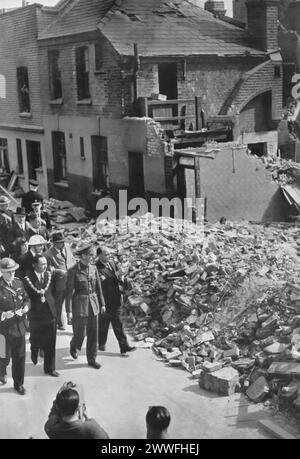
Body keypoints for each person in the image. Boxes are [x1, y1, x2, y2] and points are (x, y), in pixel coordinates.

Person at [65, 243, 105, 369]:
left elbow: (98, 288)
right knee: (80, 334)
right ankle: (74, 345)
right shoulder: (73, 270)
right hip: (80, 305)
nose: (92, 257)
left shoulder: (93, 269)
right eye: (90, 255)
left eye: (93, 254)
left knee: (93, 333)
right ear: (83, 256)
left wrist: (102, 303)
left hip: (93, 304)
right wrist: (69, 310)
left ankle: (92, 359)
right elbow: (69, 292)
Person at [23, 255, 59, 377]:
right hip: (36, 315)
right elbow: (26, 297)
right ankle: (34, 348)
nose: (45, 266)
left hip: (50, 313)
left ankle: (50, 368)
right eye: (42, 264)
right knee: (36, 338)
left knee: (51, 342)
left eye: (45, 263)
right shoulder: (27, 279)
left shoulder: (49, 275)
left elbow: (53, 291)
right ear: (34, 265)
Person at [96, 246, 135, 355]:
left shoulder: (112, 263)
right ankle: (101, 343)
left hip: (116, 299)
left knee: (118, 324)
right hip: (105, 301)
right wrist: (116, 275)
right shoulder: (96, 268)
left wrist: (123, 279)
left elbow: (119, 279)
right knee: (104, 325)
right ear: (99, 256)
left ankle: (124, 347)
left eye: (109, 254)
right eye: (106, 254)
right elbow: (102, 283)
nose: (109, 256)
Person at [0, 258, 30, 395]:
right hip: (3, 331)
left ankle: (19, 384)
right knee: (3, 357)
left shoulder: (18, 282)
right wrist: (2, 315)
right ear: (1, 271)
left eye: (13, 271)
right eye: (8, 272)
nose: (11, 274)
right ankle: (1, 373)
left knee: (20, 357)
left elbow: (26, 299)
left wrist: (26, 308)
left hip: (19, 327)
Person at [44, 381, 109, 439]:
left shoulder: (50, 428)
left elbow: (53, 414)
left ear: (57, 407)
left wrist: (59, 393)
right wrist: (89, 419)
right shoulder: (91, 428)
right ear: (78, 407)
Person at [45, 232, 76, 330]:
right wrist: (59, 271)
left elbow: (72, 259)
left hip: (72, 281)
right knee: (59, 303)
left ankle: (71, 319)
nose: (63, 244)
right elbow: (48, 269)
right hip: (60, 283)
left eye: (63, 241)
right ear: (54, 243)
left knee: (72, 301)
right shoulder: (48, 254)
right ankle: (60, 322)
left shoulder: (67, 247)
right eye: (60, 242)